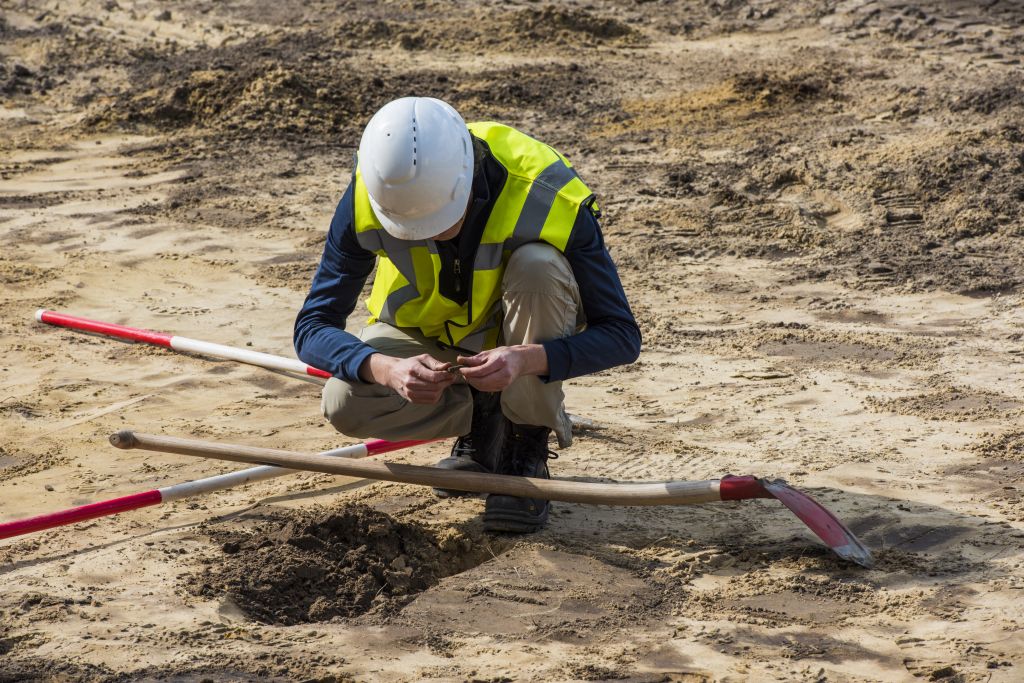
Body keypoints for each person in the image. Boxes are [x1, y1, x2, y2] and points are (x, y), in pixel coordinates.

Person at [294, 97, 640, 533]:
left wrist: (524, 361)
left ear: (469, 180)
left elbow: (622, 336)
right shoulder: (371, 192)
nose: (429, 235)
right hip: (424, 339)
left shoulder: (547, 193)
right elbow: (312, 326)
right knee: (343, 400)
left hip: (520, 342)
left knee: (538, 266)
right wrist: (386, 368)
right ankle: (484, 421)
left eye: (439, 221)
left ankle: (522, 447)